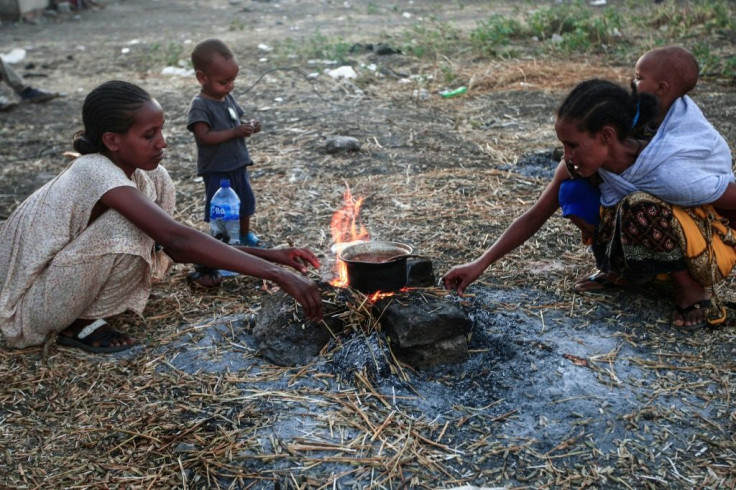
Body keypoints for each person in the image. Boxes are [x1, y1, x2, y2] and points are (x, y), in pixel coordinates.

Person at [0, 80, 323, 354]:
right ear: (112, 141)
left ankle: (83, 312)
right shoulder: (93, 171)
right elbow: (176, 241)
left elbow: (170, 242)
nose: (163, 142)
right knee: (128, 228)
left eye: (161, 131)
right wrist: (275, 274)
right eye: (149, 135)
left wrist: (271, 256)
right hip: (24, 310)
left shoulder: (145, 175)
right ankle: (77, 324)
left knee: (153, 196)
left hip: (57, 287)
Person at [442, 79, 736, 331]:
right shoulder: (577, 166)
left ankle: (690, 291)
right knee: (572, 192)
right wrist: (479, 263)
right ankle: (623, 273)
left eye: (573, 145)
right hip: (643, 242)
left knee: (639, 207)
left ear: (607, 135)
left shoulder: (664, 167)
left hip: (698, 249)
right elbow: (533, 216)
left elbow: (727, 199)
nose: (566, 154)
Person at [187, 38, 265, 251]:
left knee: (245, 203)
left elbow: (237, 122)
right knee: (222, 208)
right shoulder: (200, 105)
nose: (229, 86)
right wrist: (235, 131)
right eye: (223, 82)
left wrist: (249, 126)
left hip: (237, 163)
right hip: (217, 168)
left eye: (233, 81)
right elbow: (204, 136)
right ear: (202, 78)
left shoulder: (227, 97)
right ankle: (221, 242)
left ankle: (244, 234)